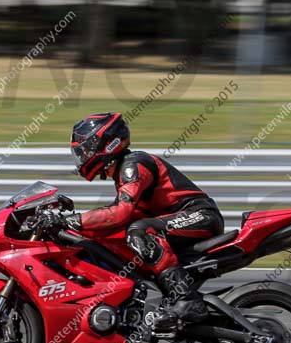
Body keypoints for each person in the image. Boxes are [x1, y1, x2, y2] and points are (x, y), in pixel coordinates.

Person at [58, 112, 224, 330]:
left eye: (86, 149)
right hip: (179, 220)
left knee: (139, 231)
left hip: (201, 216)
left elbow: (120, 213)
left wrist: (72, 221)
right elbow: (113, 217)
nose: (83, 155)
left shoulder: (133, 165)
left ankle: (188, 300)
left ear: (108, 143)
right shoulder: (122, 172)